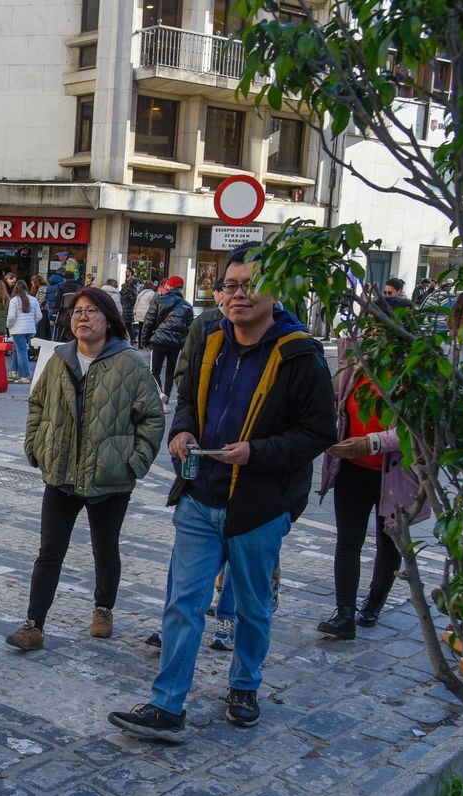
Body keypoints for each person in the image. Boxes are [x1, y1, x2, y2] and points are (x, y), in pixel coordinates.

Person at [109, 244, 335, 743]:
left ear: (275, 292)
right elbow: (188, 394)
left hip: (260, 504)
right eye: (230, 286)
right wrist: (183, 430)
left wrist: (257, 451)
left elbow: (319, 432)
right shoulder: (209, 333)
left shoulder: (299, 353)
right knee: (182, 603)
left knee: (252, 605)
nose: (238, 295)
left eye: (249, 286)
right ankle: (168, 706)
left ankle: (244, 685)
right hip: (200, 492)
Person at [5, 287, 164, 651]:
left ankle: (103, 608)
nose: (83, 317)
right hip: (61, 473)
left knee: (105, 549)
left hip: (110, 478)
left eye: (92, 311)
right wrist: (35, 447)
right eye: (77, 311)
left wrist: (133, 463)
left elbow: (152, 418)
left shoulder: (131, 363)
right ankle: (34, 624)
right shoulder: (60, 358)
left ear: (109, 320)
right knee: (49, 552)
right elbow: (37, 405)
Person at [316, 317, 430, 638]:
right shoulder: (357, 366)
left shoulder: (411, 374)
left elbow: (411, 430)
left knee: (388, 542)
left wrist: (372, 442)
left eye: (384, 330)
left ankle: (373, 605)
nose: (375, 336)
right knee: (348, 541)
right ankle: (345, 613)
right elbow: (337, 404)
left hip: (394, 476)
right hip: (352, 471)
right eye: (373, 329)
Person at [145, 276, 193, 402]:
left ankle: (160, 394)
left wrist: (144, 340)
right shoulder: (187, 306)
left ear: (170, 286)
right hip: (176, 344)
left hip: (158, 341)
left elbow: (149, 321)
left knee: (154, 370)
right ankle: (166, 399)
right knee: (170, 373)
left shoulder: (159, 300)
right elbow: (189, 329)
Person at [6, 274, 42, 384]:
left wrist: (9, 326)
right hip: (29, 330)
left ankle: (25, 375)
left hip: (18, 330)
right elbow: (39, 316)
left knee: (21, 352)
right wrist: (31, 324)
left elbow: (11, 317)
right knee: (19, 350)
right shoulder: (33, 299)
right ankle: (13, 372)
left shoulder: (14, 300)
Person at [132, 280, 159, 347]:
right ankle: (145, 344)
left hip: (139, 313)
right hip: (147, 314)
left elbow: (136, 303)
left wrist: (135, 311)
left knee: (141, 328)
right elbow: (152, 304)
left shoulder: (141, 293)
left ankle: (139, 344)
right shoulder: (152, 294)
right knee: (147, 329)